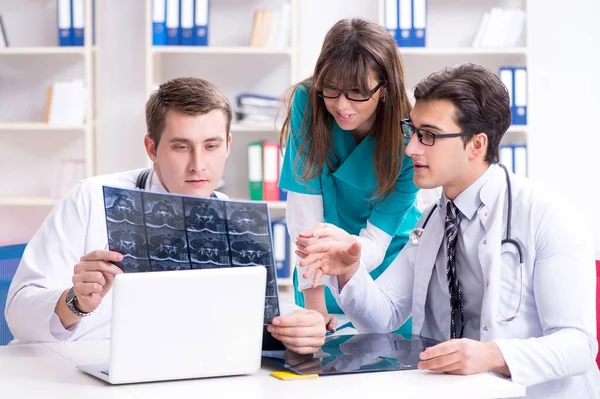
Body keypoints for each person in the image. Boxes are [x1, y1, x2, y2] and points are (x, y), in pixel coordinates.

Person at [299, 63, 600, 397]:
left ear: (476, 145)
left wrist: (494, 354)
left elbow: (579, 345)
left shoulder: (547, 218)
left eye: (428, 135)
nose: (411, 148)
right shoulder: (432, 222)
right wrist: (350, 272)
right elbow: (384, 316)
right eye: (411, 131)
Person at [5, 77, 326, 355]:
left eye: (211, 146)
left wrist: (301, 324)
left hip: (172, 375)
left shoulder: (235, 221)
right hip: (68, 371)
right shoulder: (90, 199)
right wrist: (73, 303)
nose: (198, 164)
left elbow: (258, 314)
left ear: (228, 146)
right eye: (181, 147)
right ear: (152, 148)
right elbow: (18, 313)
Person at [278, 18, 420, 333]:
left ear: (384, 89)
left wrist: (344, 263)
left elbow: (376, 241)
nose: (341, 106)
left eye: (357, 93)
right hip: (317, 274)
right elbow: (304, 216)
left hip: (384, 272)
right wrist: (314, 307)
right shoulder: (309, 102)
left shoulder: (410, 140)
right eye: (331, 89)